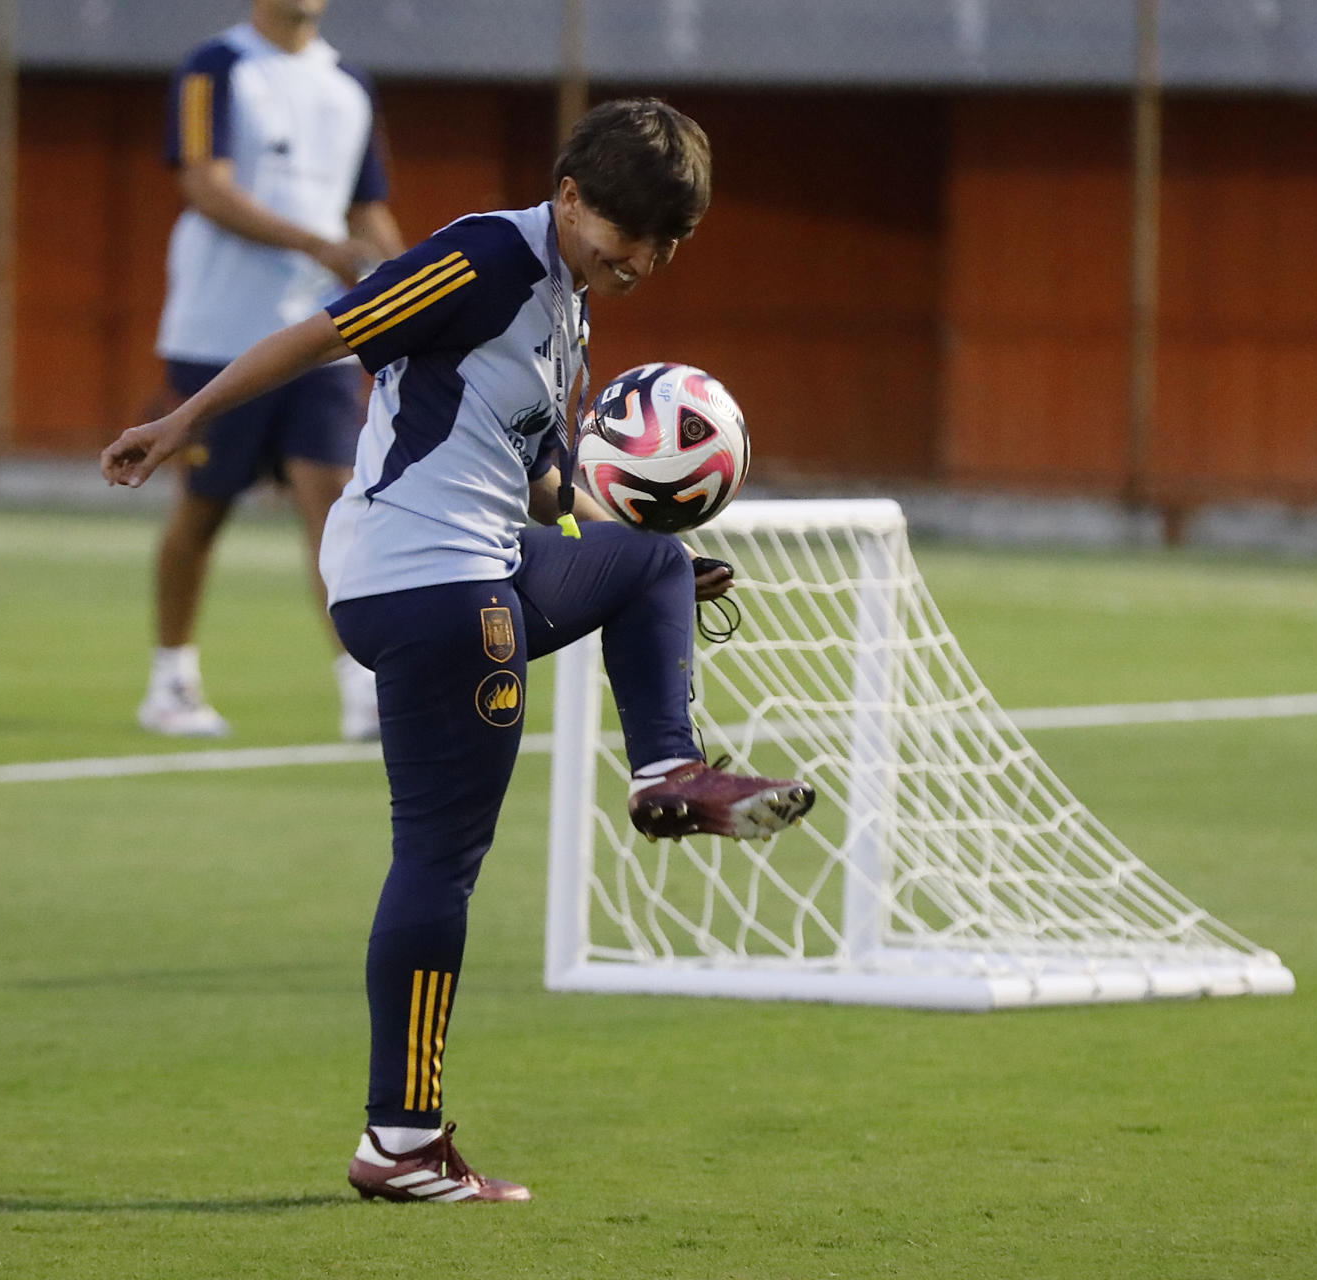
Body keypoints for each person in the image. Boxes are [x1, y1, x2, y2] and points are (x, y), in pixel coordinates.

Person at [102, 99, 815, 1204]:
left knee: (655, 563)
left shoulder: (567, 309)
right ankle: (402, 1141)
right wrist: (182, 420)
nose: (644, 259)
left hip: (458, 566)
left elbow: (538, 483)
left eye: (667, 243)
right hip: (429, 582)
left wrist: (612, 537)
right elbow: (325, 332)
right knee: (439, 860)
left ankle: (668, 767)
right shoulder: (489, 254)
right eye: (627, 231)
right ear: (570, 195)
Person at [140, 0, 406, 740]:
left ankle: (363, 692)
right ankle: (171, 681)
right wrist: (319, 245)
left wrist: (417, 279)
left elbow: (366, 210)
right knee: (203, 506)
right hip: (217, 332)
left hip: (319, 336)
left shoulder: (350, 82)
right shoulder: (215, 67)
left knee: (334, 503)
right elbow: (205, 185)